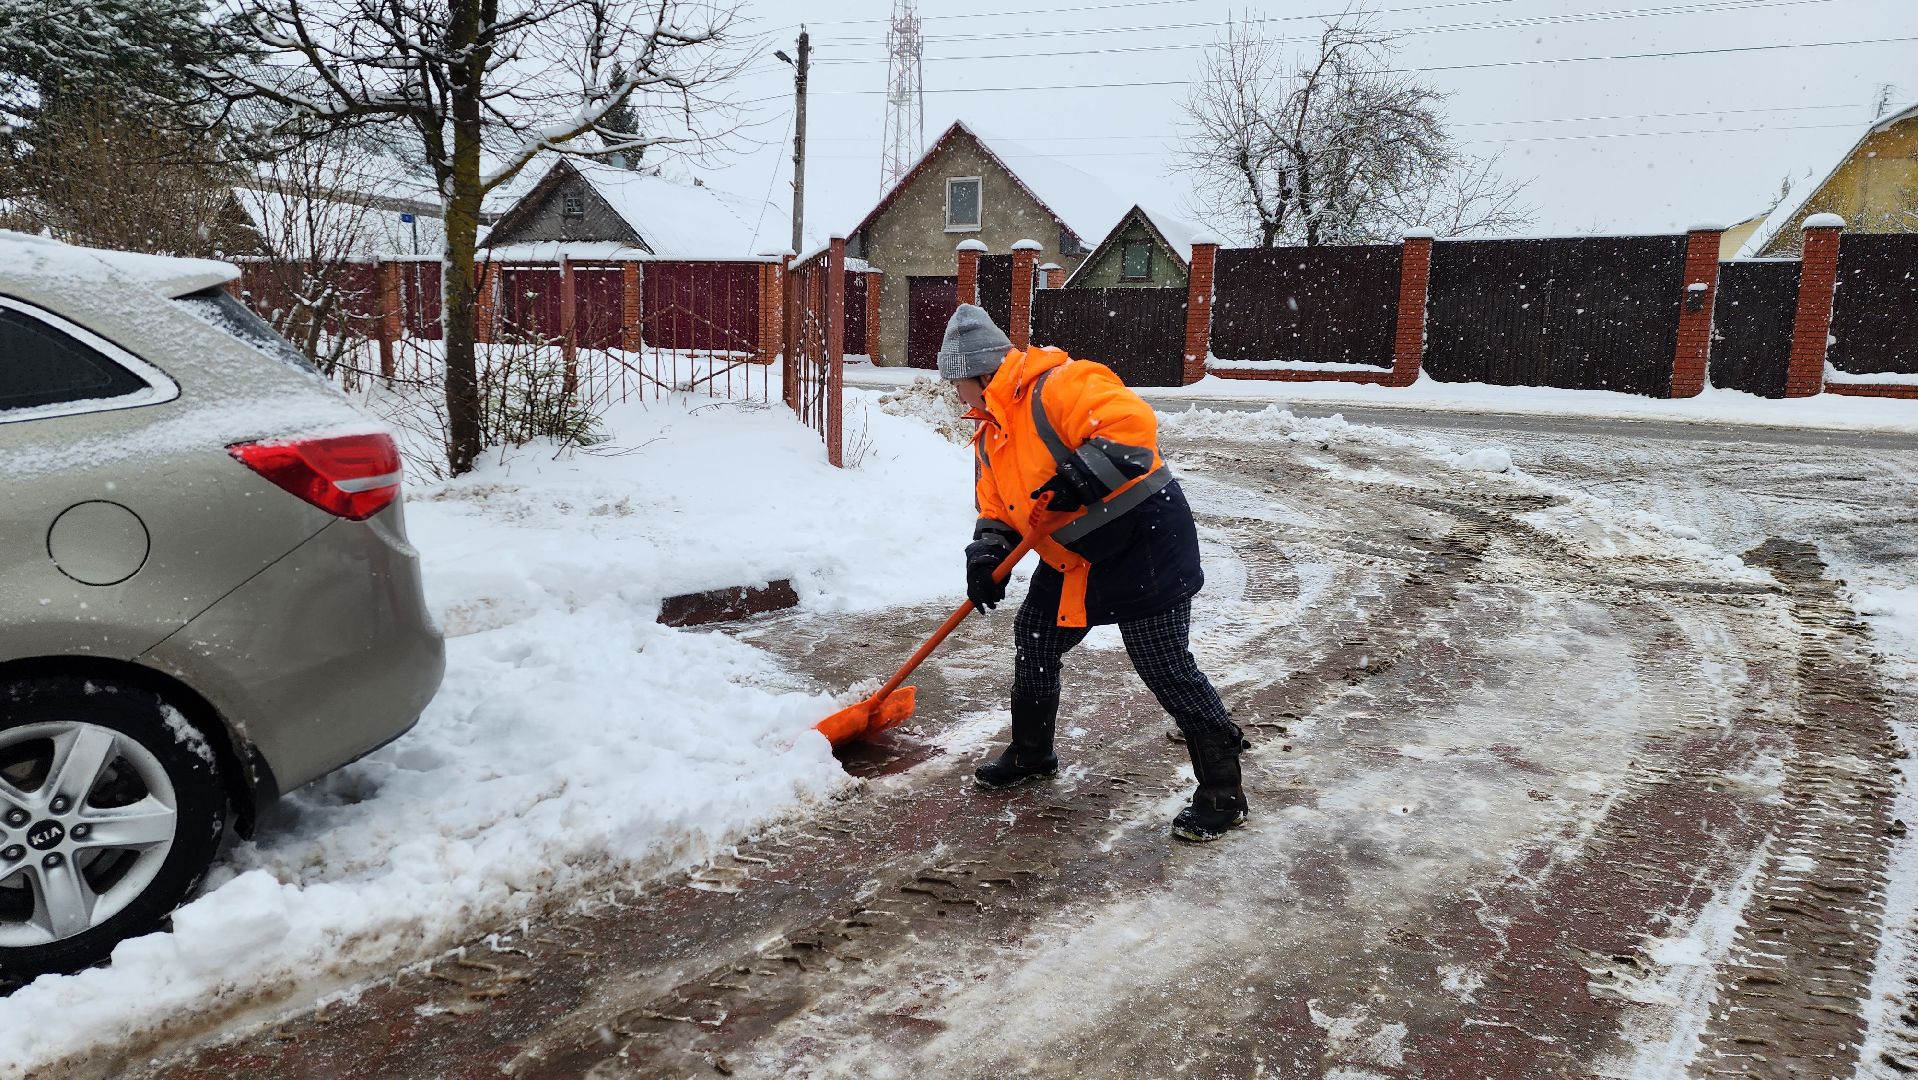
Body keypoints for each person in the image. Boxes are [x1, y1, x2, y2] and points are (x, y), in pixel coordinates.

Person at [936, 303, 1248, 843]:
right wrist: (987, 555)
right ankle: (1032, 753)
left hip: (1144, 543)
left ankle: (1223, 790)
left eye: (956, 382)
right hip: (1074, 559)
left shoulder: (1059, 383)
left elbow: (1132, 427)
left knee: (1163, 664)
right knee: (1035, 638)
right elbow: (996, 507)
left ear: (979, 374)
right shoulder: (991, 433)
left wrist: (1078, 479)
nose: (956, 394)